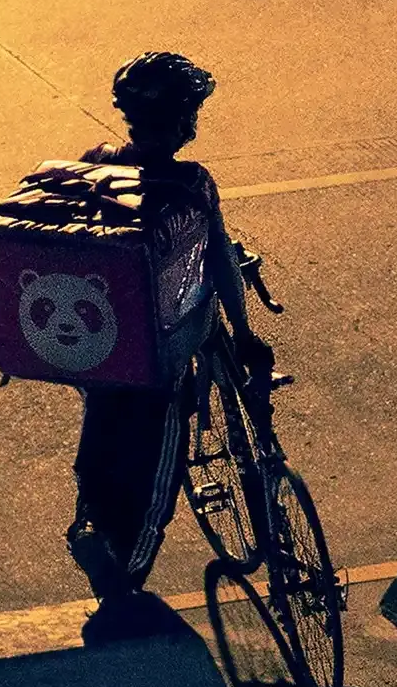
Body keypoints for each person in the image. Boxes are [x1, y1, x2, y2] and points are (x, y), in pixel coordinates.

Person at [64, 51, 269, 613]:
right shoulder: (193, 183)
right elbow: (221, 264)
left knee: (104, 434)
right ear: (184, 121)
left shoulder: (96, 162)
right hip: (163, 352)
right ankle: (125, 571)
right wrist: (244, 332)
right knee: (160, 459)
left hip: (99, 344)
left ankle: (89, 524)